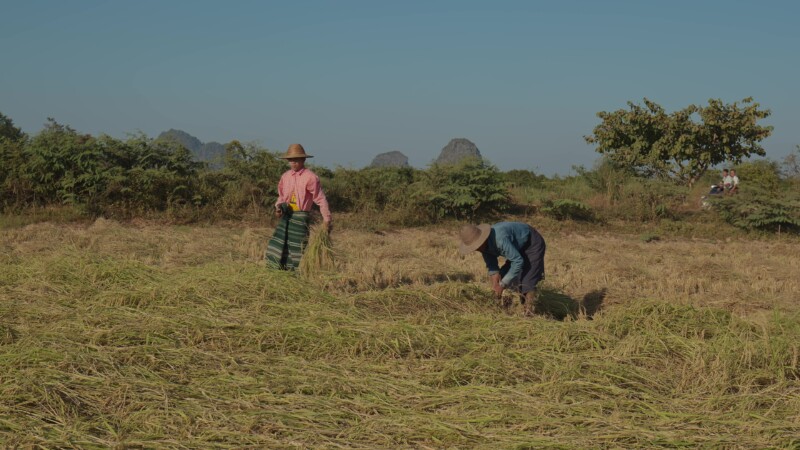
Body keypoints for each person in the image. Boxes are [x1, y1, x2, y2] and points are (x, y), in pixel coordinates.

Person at [266, 144, 332, 271]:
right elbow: (281, 196)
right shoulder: (285, 177)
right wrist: (278, 207)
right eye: (291, 160)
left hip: (300, 218)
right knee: (280, 245)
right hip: (286, 216)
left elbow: (320, 198)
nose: (293, 163)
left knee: (298, 248)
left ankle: (295, 274)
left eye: (296, 160)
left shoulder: (310, 177)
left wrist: (326, 219)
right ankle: (278, 272)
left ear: (303, 160)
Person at [458, 222, 546, 316]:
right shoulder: (483, 247)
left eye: (477, 246)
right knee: (504, 274)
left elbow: (517, 261)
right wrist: (496, 282)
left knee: (528, 279)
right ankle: (507, 306)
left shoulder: (499, 239)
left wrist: (502, 284)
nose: (476, 249)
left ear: (482, 240)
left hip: (531, 243)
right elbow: (492, 266)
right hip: (517, 247)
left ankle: (529, 312)